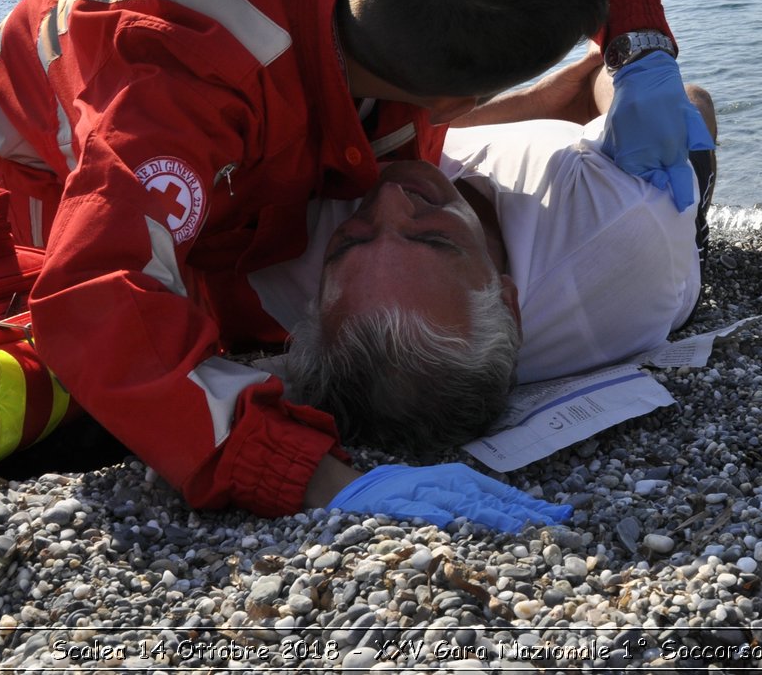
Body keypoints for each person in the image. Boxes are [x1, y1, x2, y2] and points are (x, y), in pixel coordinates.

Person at [0, 0, 711, 526]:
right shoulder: (172, 99)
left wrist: (639, 47)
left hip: (261, 45)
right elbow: (92, 297)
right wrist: (312, 478)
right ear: (456, 101)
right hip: (56, 115)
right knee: (184, 306)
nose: (387, 205)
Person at [248, 45, 718, 453]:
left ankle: (538, 105)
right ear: (506, 300)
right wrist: (617, 67)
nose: (388, 198)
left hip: (469, 149)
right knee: (690, 107)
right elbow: (619, 81)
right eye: (431, 237)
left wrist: (535, 99)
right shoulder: (614, 222)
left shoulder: (289, 272)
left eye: (351, 238)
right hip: (637, 233)